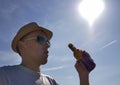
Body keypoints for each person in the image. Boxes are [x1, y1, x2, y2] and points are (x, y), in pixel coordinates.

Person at [0, 22, 95, 85]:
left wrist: (83, 76)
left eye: (48, 41)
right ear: (22, 46)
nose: (47, 45)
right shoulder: (4, 76)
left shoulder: (51, 82)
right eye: (41, 39)